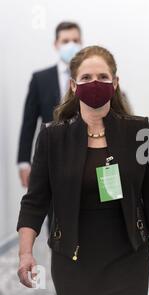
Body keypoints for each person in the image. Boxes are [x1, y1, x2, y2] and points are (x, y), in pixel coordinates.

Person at [17, 46, 149, 295]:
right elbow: (35, 201)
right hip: (72, 258)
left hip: (128, 257)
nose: (95, 83)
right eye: (86, 78)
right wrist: (26, 252)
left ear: (115, 83)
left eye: (103, 77)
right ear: (72, 85)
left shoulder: (138, 132)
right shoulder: (52, 136)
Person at [18, 21, 83, 189]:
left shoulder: (90, 77)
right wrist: (23, 161)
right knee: (52, 210)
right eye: (65, 41)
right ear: (56, 44)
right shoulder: (40, 79)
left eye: (75, 40)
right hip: (50, 156)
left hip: (86, 152)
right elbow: (28, 122)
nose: (71, 45)